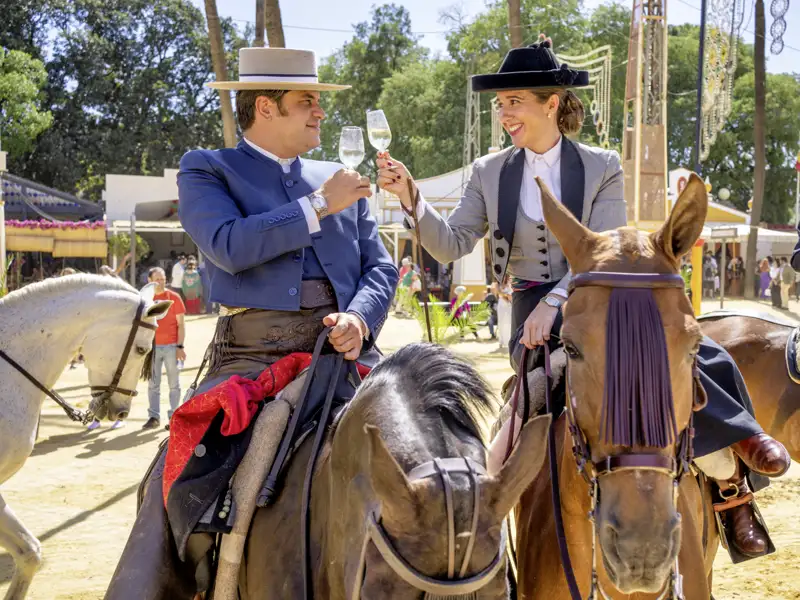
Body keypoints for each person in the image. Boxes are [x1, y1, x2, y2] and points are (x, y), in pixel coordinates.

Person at [377, 35, 789, 559]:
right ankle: (490, 513)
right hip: (529, 313)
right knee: (521, 409)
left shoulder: (602, 164)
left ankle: (734, 489)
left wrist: (557, 300)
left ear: (552, 103)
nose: (504, 112)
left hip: (603, 298)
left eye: (515, 101)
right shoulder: (488, 171)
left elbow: (610, 246)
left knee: (688, 349)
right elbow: (452, 242)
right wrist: (411, 196)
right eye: (501, 103)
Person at [107, 47, 397, 600]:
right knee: (176, 479)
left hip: (349, 355)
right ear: (265, 107)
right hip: (250, 357)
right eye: (306, 102)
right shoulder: (207, 168)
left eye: (318, 102)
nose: (319, 113)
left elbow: (379, 267)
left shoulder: (339, 178)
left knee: (437, 437)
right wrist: (318, 205)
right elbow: (227, 246)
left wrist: (360, 317)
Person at [141, 267, 186, 431]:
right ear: (149, 280)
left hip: (171, 347)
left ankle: (174, 416)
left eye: (163, 279)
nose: (160, 282)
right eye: (157, 279)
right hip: (151, 348)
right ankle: (153, 417)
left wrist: (180, 346)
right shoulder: (145, 300)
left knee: (174, 384)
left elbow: (181, 325)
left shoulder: (174, 298)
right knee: (153, 384)